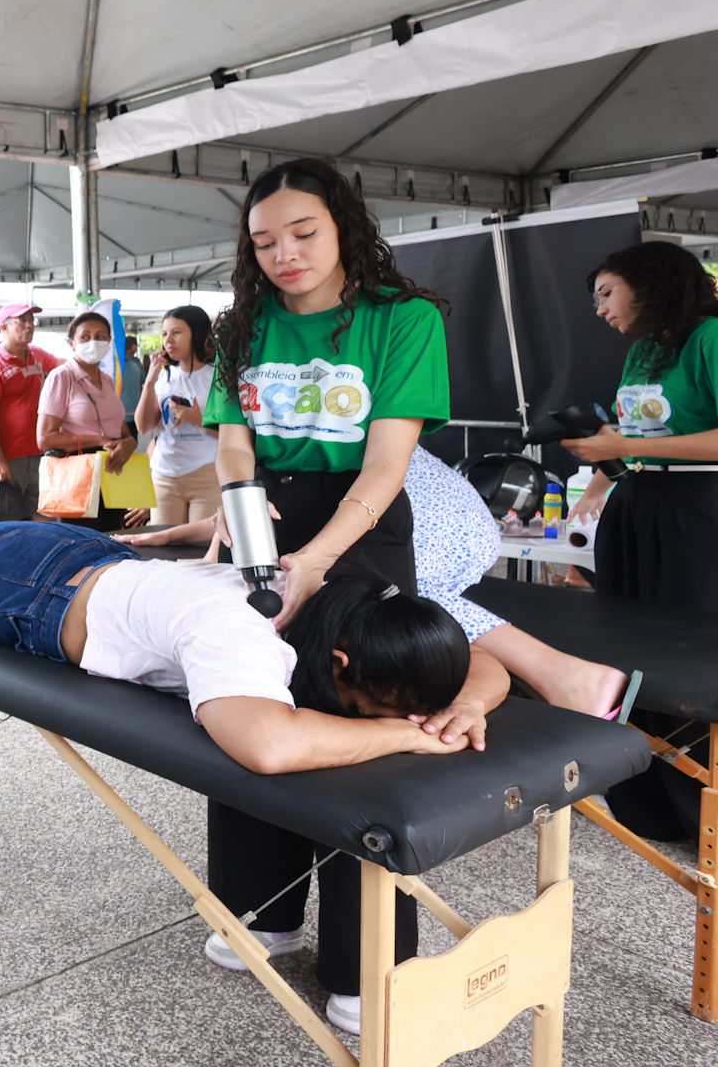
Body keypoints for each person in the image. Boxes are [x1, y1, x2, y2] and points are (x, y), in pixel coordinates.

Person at [0, 518, 501, 1039]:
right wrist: (404, 734)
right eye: (390, 705)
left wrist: (462, 705)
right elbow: (267, 745)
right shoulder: (239, 631)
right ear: (343, 666)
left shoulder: (360, 613)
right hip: (21, 589)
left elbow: (496, 663)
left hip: (89, 556)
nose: (411, 723)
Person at [122, 445, 630, 716]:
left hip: (406, 503)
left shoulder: (274, 415)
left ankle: (569, 675)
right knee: (399, 600)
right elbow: (245, 506)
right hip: (443, 506)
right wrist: (174, 534)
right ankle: (564, 676)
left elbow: (256, 498)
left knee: (388, 601)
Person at [204, 157, 448, 628]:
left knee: (363, 672)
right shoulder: (241, 327)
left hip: (361, 516)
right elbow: (234, 445)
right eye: (265, 243)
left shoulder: (405, 319)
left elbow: (386, 463)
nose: (284, 254)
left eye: (304, 233)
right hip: (265, 516)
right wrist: (239, 502)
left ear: (343, 227)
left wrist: (317, 559)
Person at [564, 239, 718, 842]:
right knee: (625, 642)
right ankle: (645, 798)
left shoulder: (708, 337)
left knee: (686, 651)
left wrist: (620, 452)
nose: (601, 309)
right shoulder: (645, 351)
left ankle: (698, 805)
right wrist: (599, 479)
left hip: (699, 506)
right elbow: (631, 434)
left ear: (649, 283)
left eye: (607, 293)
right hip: (636, 503)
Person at [35, 311, 137, 532]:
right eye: (85, 336)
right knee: (81, 543)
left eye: (100, 336)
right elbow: (45, 438)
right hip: (77, 474)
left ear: (109, 342)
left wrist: (130, 443)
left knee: (113, 539)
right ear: (72, 343)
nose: (94, 341)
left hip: (112, 472)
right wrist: (99, 440)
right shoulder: (61, 377)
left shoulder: (108, 381)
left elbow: (122, 431)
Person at [0, 302, 63, 524]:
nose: (29, 326)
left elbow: (65, 367)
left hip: (37, 452)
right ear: (4, 327)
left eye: (31, 320)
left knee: (42, 515)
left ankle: (38, 558)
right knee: (0, 523)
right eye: (21, 321)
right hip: (6, 457)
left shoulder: (37, 355)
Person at [133, 305, 221, 527]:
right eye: (164, 334)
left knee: (201, 550)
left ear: (198, 334)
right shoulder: (164, 376)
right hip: (164, 475)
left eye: (177, 332)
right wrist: (150, 382)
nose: (168, 340)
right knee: (164, 549)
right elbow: (144, 428)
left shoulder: (218, 376)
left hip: (207, 473)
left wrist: (197, 419)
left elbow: (234, 433)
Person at [119, 335, 146, 429]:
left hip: (118, 411)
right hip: (134, 409)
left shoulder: (115, 365)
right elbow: (143, 383)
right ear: (133, 347)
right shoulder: (136, 364)